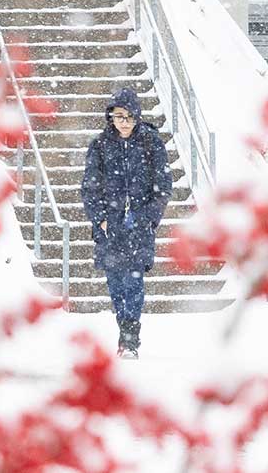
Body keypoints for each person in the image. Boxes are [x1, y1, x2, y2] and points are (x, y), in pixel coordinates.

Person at [80, 87, 172, 359]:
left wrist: (148, 218)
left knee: (134, 282)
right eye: (118, 116)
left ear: (137, 117)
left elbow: (163, 185)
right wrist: (101, 218)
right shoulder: (99, 146)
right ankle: (125, 331)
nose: (123, 122)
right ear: (110, 117)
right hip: (111, 227)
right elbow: (89, 187)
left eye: (129, 117)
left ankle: (130, 339)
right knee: (115, 285)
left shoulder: (151, 143)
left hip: (139, 226)